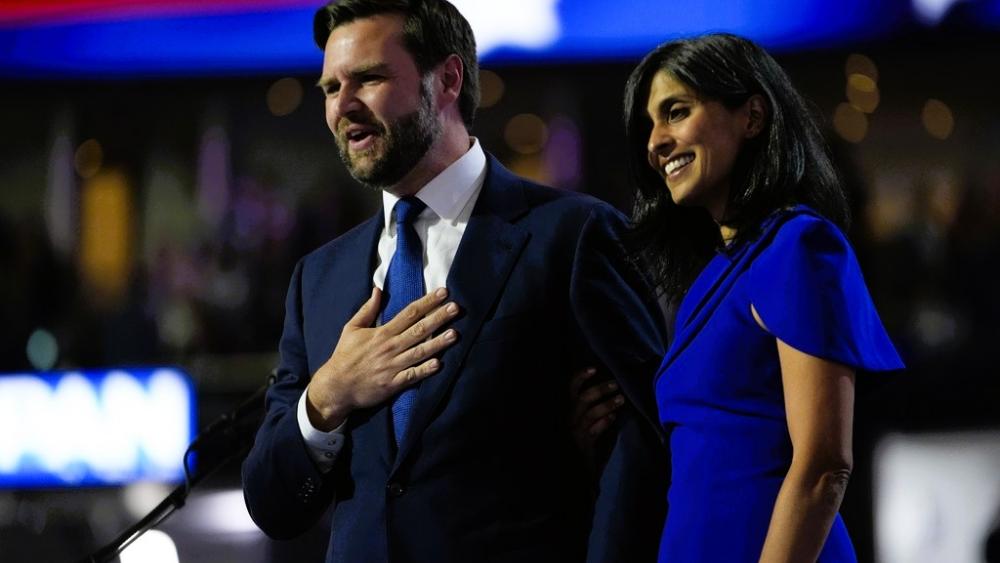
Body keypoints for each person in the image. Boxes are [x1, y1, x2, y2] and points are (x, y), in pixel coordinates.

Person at [241, 1, 668, 562]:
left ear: (446, 80)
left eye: (368, 78)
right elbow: (273, 506)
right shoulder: (318, 279)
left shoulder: (573, 235)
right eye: (329, 88)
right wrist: (326, 396)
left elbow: (643, 452)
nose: (343, 106)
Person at [591, 33, 903, 562]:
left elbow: (825, 465)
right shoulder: (711, 275)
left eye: (676, 112)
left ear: (752, 117)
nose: (655, 142)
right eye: (650, 124)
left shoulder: (798, 246)